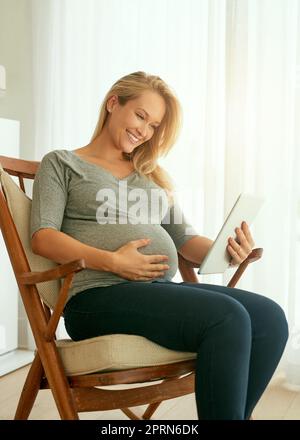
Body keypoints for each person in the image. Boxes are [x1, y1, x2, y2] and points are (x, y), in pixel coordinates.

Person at [30, 71, 288, 420]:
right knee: (227, 317)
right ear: (112, 104)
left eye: (153, 125)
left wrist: (227, 249)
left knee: (270, 318)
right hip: (96, 298)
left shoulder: (151, 176)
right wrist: (112, 262)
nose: (145, 130)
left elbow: (186, 241)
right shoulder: (63, 163)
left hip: (157, 292)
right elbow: (42, 237)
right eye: (140, 115)